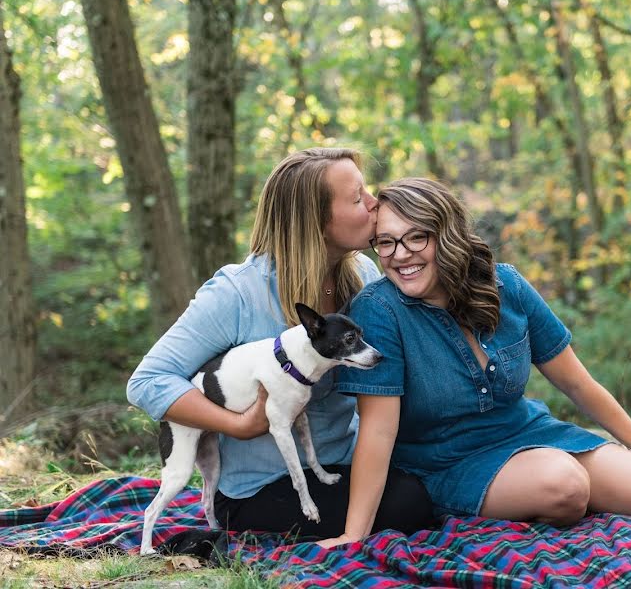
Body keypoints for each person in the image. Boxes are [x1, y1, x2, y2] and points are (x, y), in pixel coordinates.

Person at [325, 177, 631, 548]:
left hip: (526, 432)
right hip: (447, 460)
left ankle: (565, 485)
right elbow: (378, 431)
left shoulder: (505, 285)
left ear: (446, 236)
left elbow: (577, 383)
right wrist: (354, 535)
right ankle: (556, 492)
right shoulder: (379, 309)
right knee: (565, 485)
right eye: (386, 242)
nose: (400, 255)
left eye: (417, 237)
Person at [126, 148, 434, 541]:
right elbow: (148, 381)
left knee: (431, 484)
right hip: (259, 488)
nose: (375, 204)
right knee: (410, 504)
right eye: (358, 198)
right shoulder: (237, 292)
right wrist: (236, 425)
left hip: (343, 464)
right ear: (316, 222)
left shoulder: (364, 275)